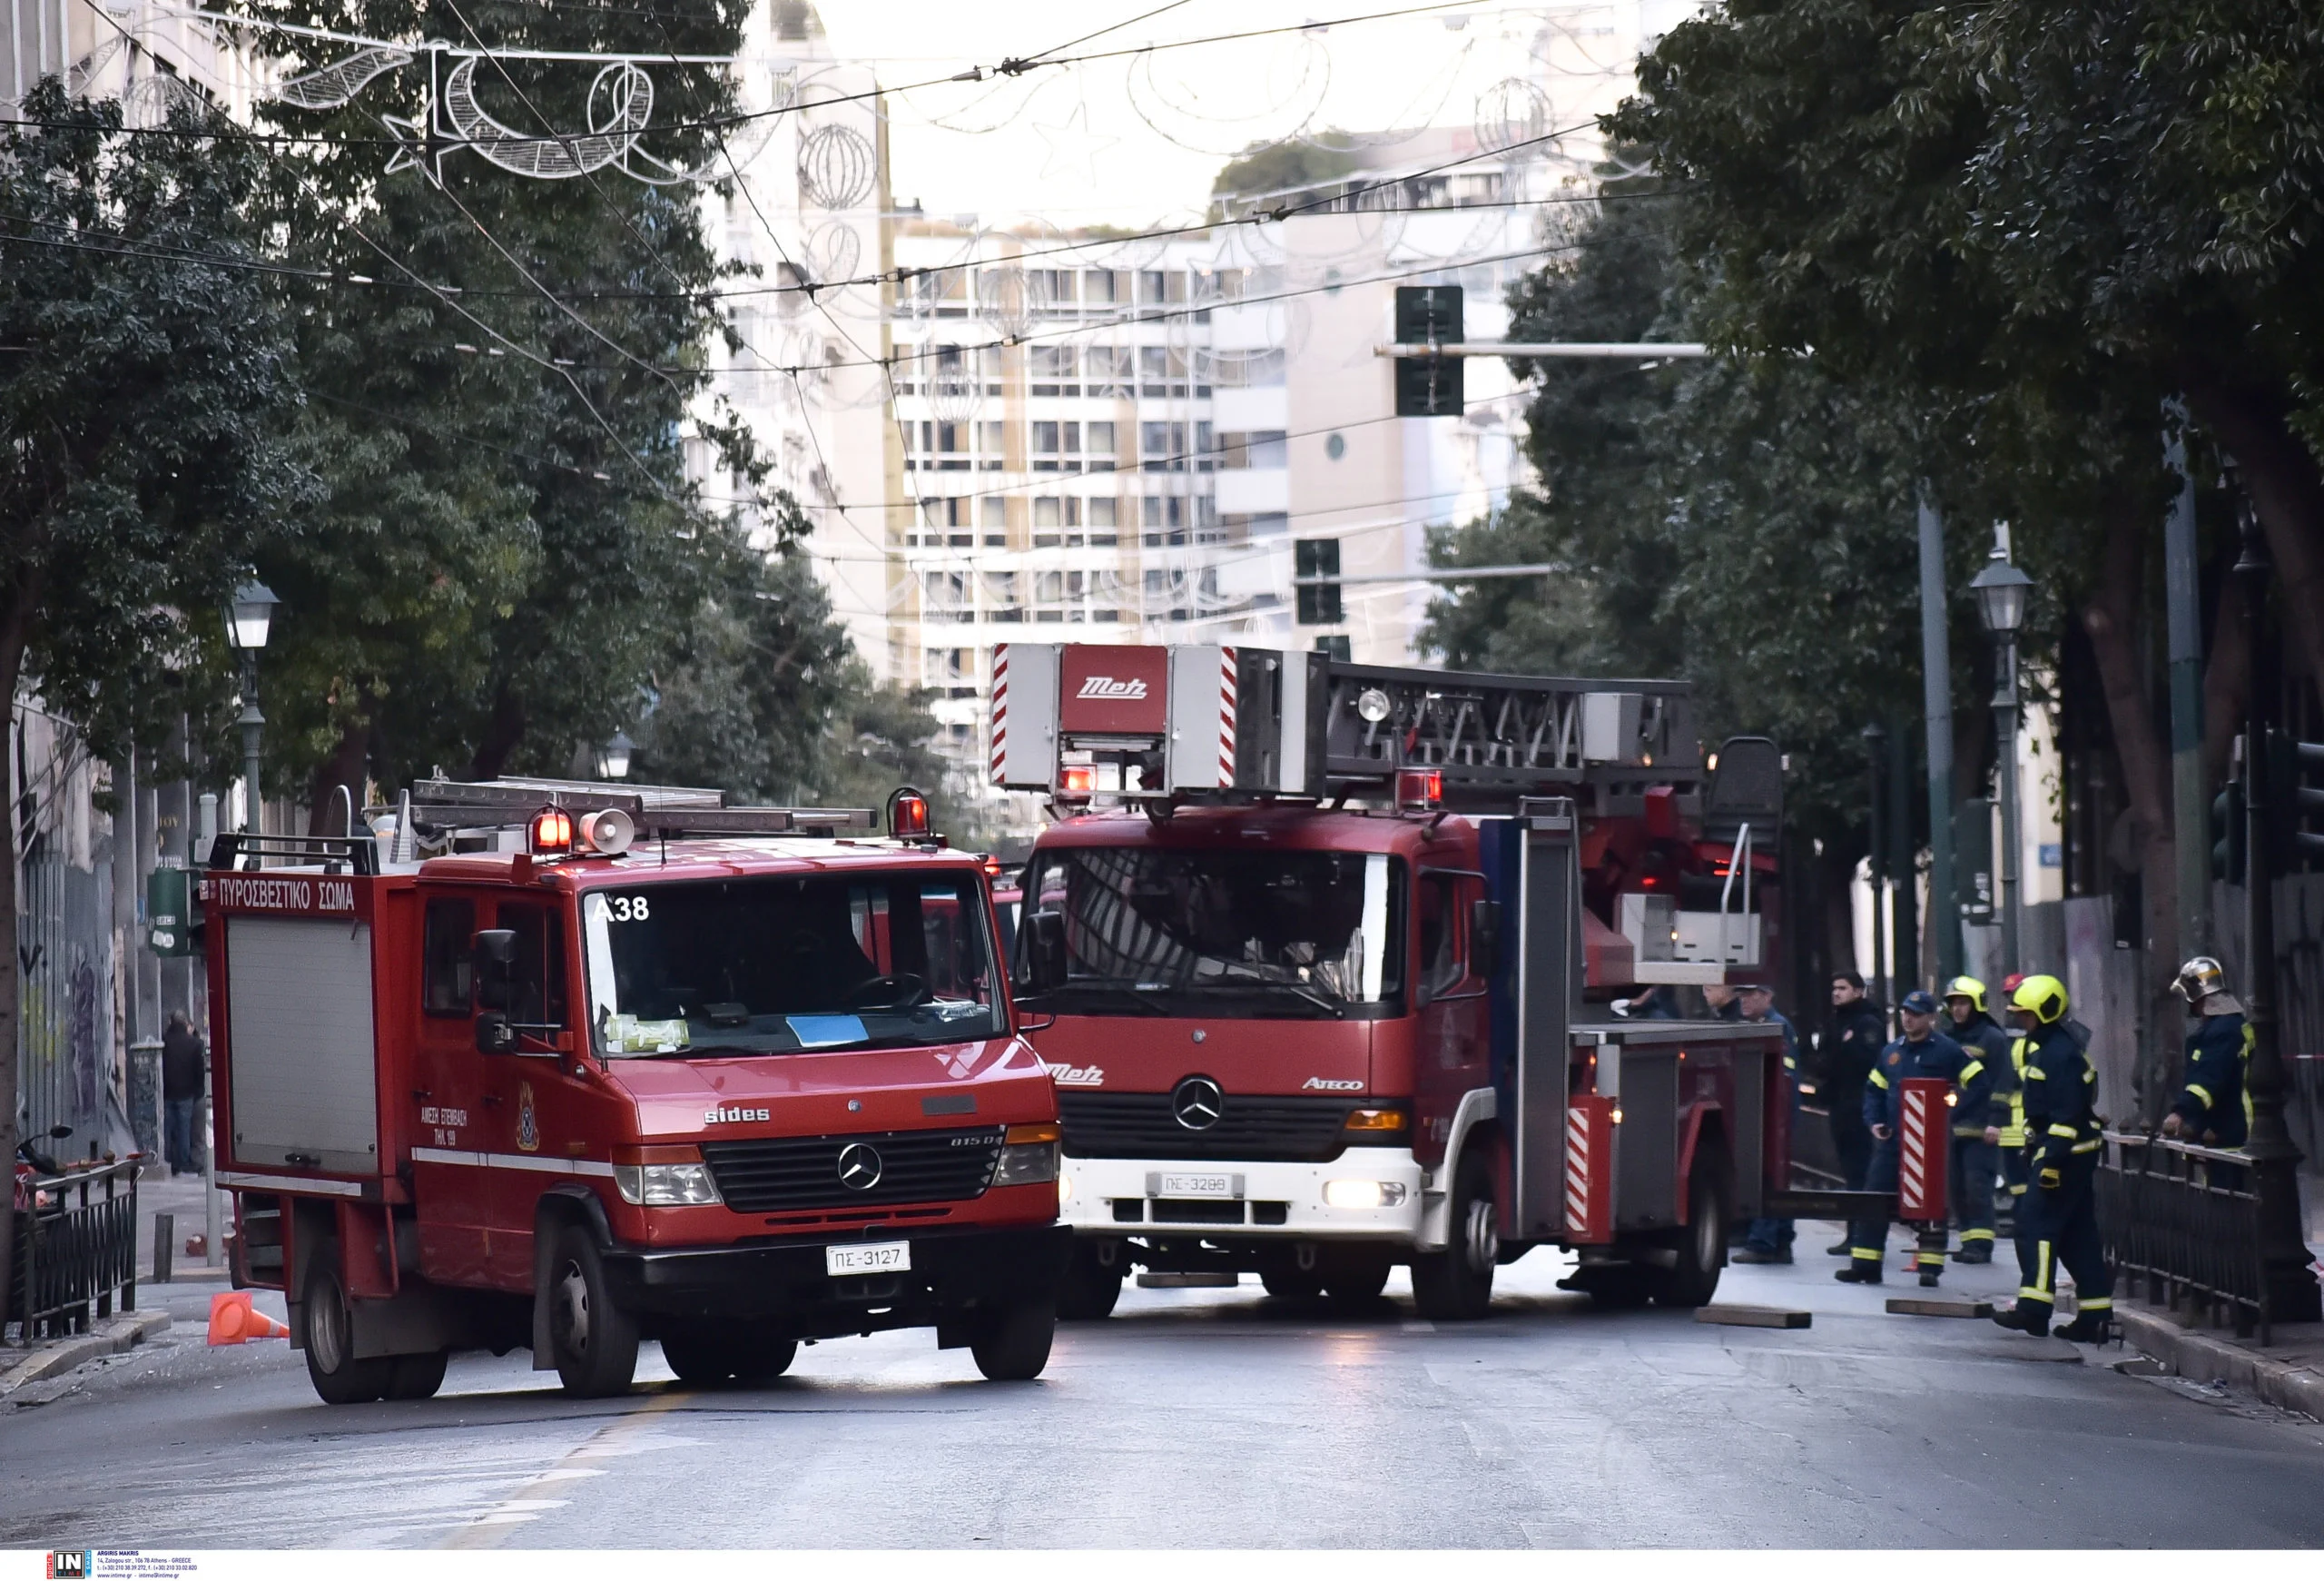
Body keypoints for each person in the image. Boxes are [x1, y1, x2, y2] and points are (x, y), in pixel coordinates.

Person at [1993, 974, 2115, 1341]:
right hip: (2072, 1155)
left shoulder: (2057, 1054)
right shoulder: (2051, 1048)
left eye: (2026, 1015)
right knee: (2078, 1236)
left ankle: (2033, 1310)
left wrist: (2049, 1163)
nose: (2021, 1021)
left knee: (2035, 1228)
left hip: (2064, 1156)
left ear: (2044, 1014)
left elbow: (2066, 1116)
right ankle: (2094, 1315)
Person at [1837, 990, 1967, 1287]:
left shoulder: (1948, 1051)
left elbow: (1976, 1084)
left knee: (1932, 1202)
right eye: (1906, 1012)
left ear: (1931, 1018)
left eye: (1917, 1014)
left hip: (1930, 1142)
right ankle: (1866, 1264)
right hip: (1893, 1140)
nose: (1908, 1018)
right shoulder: (1891, 1052)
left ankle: (1930, 1268)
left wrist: (1951, 1111)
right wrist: (1876, 1122)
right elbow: (1874, 1089)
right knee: (1874, 1199)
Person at [1943, 975, 2014, 1264]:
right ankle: (1968, 1240)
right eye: (1953, 1004)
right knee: (1958, 1188)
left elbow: (2002, 1082)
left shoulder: (1992, 1039)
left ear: (1977, 1006)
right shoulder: (1948, 1039)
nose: (1957, 1010)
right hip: (1953, 1126)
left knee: (1977, 1187)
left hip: (1980, 1126)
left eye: (1963, 1003)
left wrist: (1996, 1122)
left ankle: (1982, 1244)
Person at [2164, 955, 2251, 1191]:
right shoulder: (2228, 1025)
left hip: (2229, 1132)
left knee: (2226, 1206)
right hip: (2225, 1130)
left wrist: (2180, 1113)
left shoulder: (2222, 1031)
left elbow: (2207, 1081)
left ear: (2197, 994)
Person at [1733, 983, 1803, 1263]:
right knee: (1778, 1176)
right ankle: (1782, 1240)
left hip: (1774, 1113)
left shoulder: (1775, 1027)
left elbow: (1780, 1075)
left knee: (1766, 1174)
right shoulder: (1765, 1024)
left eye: (1752, 995)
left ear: (1768, 996)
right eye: (1741, 995)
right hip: (1774, 1112)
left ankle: (1763, 1242)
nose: (1744, 1000)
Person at [1819, 973, 1886, 1254]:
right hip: (1841, 1105)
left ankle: (1861, 1235)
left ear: (1858, 991)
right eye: (1834, 988)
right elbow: (1825, 1059)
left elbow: (1869, 1062)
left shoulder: (1867, 1023)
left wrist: (1848, 1045)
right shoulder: (1838, 1022)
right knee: (1849, 1172)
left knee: (1859, 1172)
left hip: (1859, 1107)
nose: (1836, 993)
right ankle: (1853, 1234)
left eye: (1842, 988)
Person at [161, 1010, 206, 1176]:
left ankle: (168, 1160)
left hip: (168, 1093)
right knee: (184, 1129)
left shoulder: (164, 1041)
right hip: (187, 1093)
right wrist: (197, 1091)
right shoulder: (194, 1044)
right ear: (185, 1023)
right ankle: (183, 1162)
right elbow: (199, 1071)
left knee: (167, 1128)